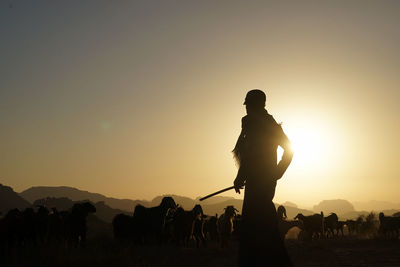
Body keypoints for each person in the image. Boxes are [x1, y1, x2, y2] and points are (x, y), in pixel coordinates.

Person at [233, 89, 294, 267]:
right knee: (254, 227)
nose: (246, 109)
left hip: (264, 184)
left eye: (249, 105)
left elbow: (289, 150)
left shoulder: (269, 125)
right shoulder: (251, 125)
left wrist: (277, 173)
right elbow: (249, 156)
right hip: (254, 183)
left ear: (258, 105)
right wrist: (240, 177)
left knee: (262, 226)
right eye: (246, 105)